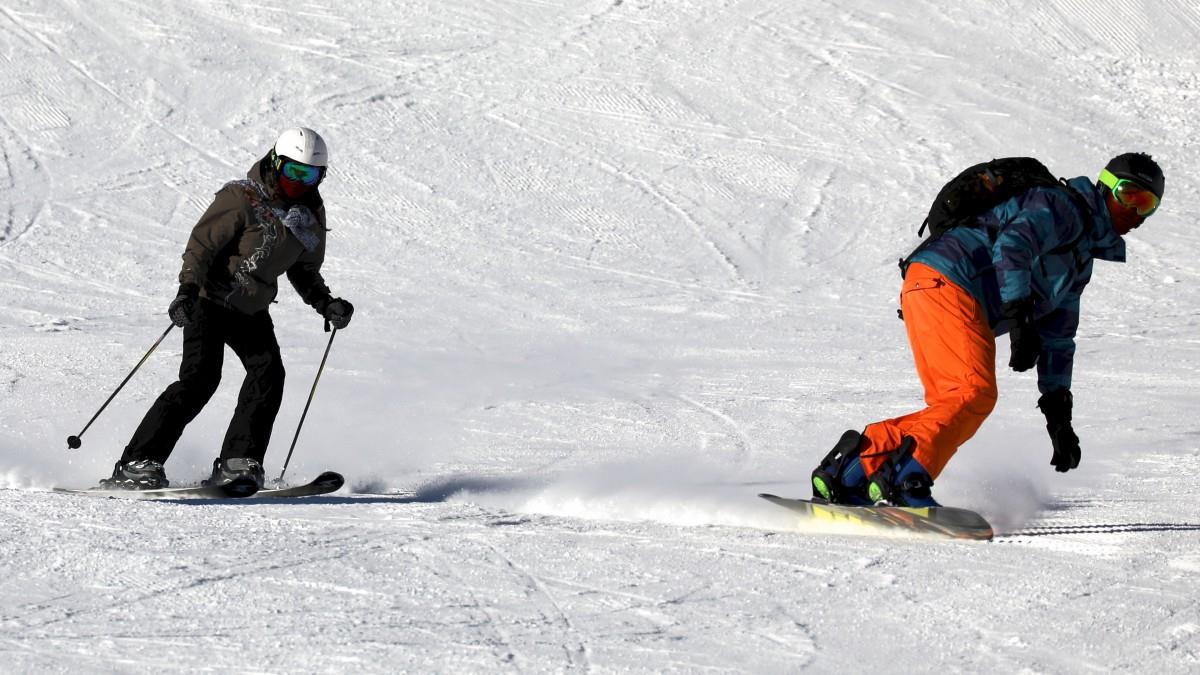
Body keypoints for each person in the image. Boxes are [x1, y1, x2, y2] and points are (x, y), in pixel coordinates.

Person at [811, 153, 1164, 507]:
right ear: (1105, 187)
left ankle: (851, 471)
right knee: (973, 394)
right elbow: (1014, 244)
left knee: (955, 403)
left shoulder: (1079, 260)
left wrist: (1059, 419)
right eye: (1129, 195)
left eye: (1147, 205)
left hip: (930, 285)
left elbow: (1059, 337)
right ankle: (905, 481)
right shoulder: (1062, 207)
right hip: (949, 280)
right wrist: (1019, 315)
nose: (1135, 212)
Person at [100, 127, 354, 490]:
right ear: (275, 163)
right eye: (293, 171)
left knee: (268, 376)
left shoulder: (309, 214)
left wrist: (326, 303)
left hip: (250, 308)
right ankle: (137, 462)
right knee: (200, 379)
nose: (299, 182)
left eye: (310, 175)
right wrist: (187, 290)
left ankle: (239, 462)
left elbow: (303, 270)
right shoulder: (242, 197)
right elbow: (201, 246)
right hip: (209, 299)